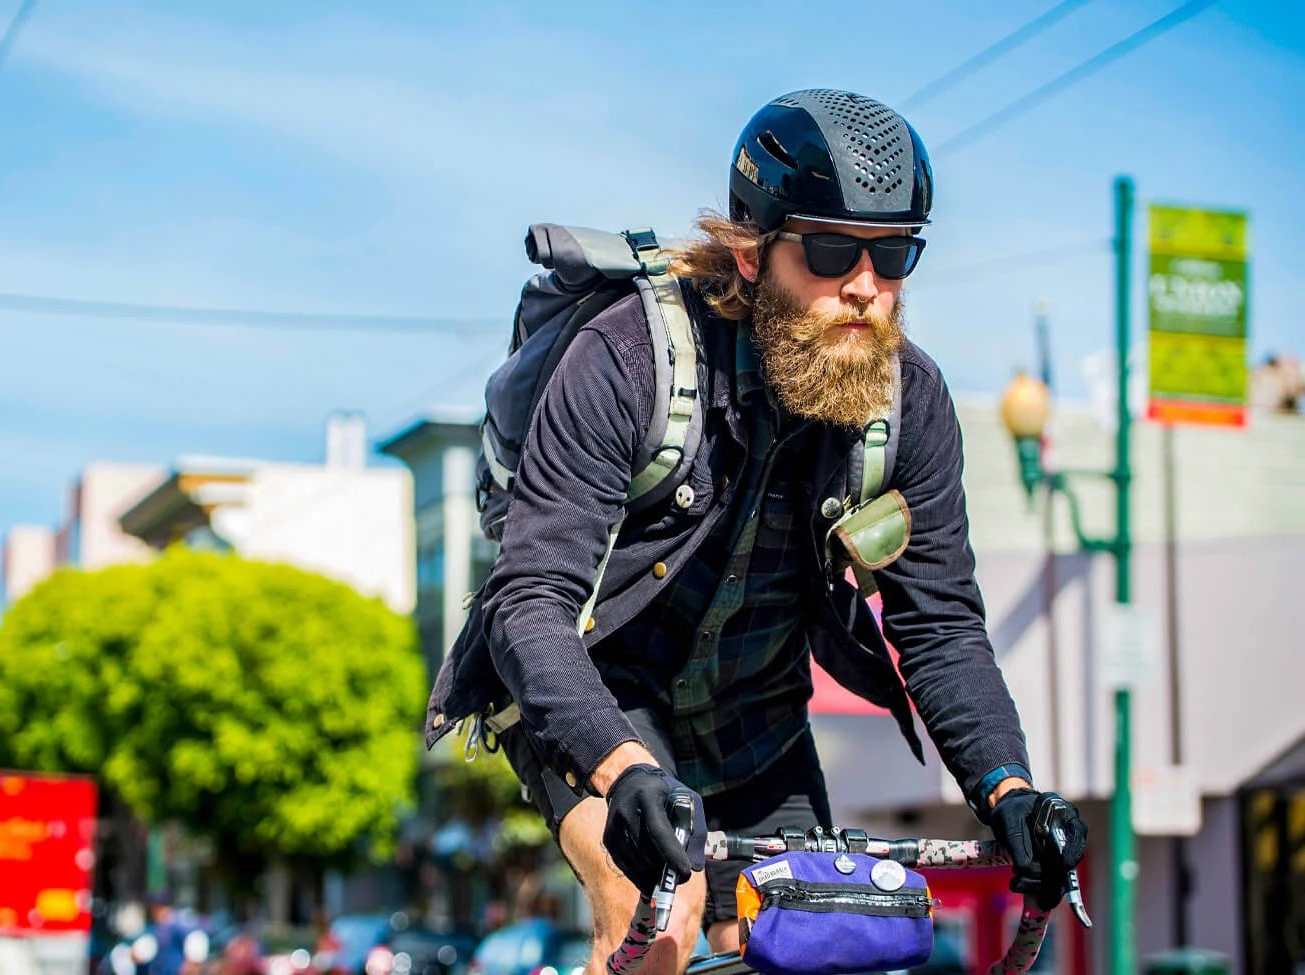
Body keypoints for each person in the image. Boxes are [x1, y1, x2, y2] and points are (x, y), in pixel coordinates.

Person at [423, 89, 1089, 974]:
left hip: (755, 719)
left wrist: (1010, 789)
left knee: (822, 942)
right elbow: (528, 600)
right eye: (828, 249)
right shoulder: (626, 357)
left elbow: (940, 627)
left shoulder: (912, 401)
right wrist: (622, 771)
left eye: (894, 255)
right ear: (748, 251)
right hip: (598, 697)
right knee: (660, 913)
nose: (865, 284)